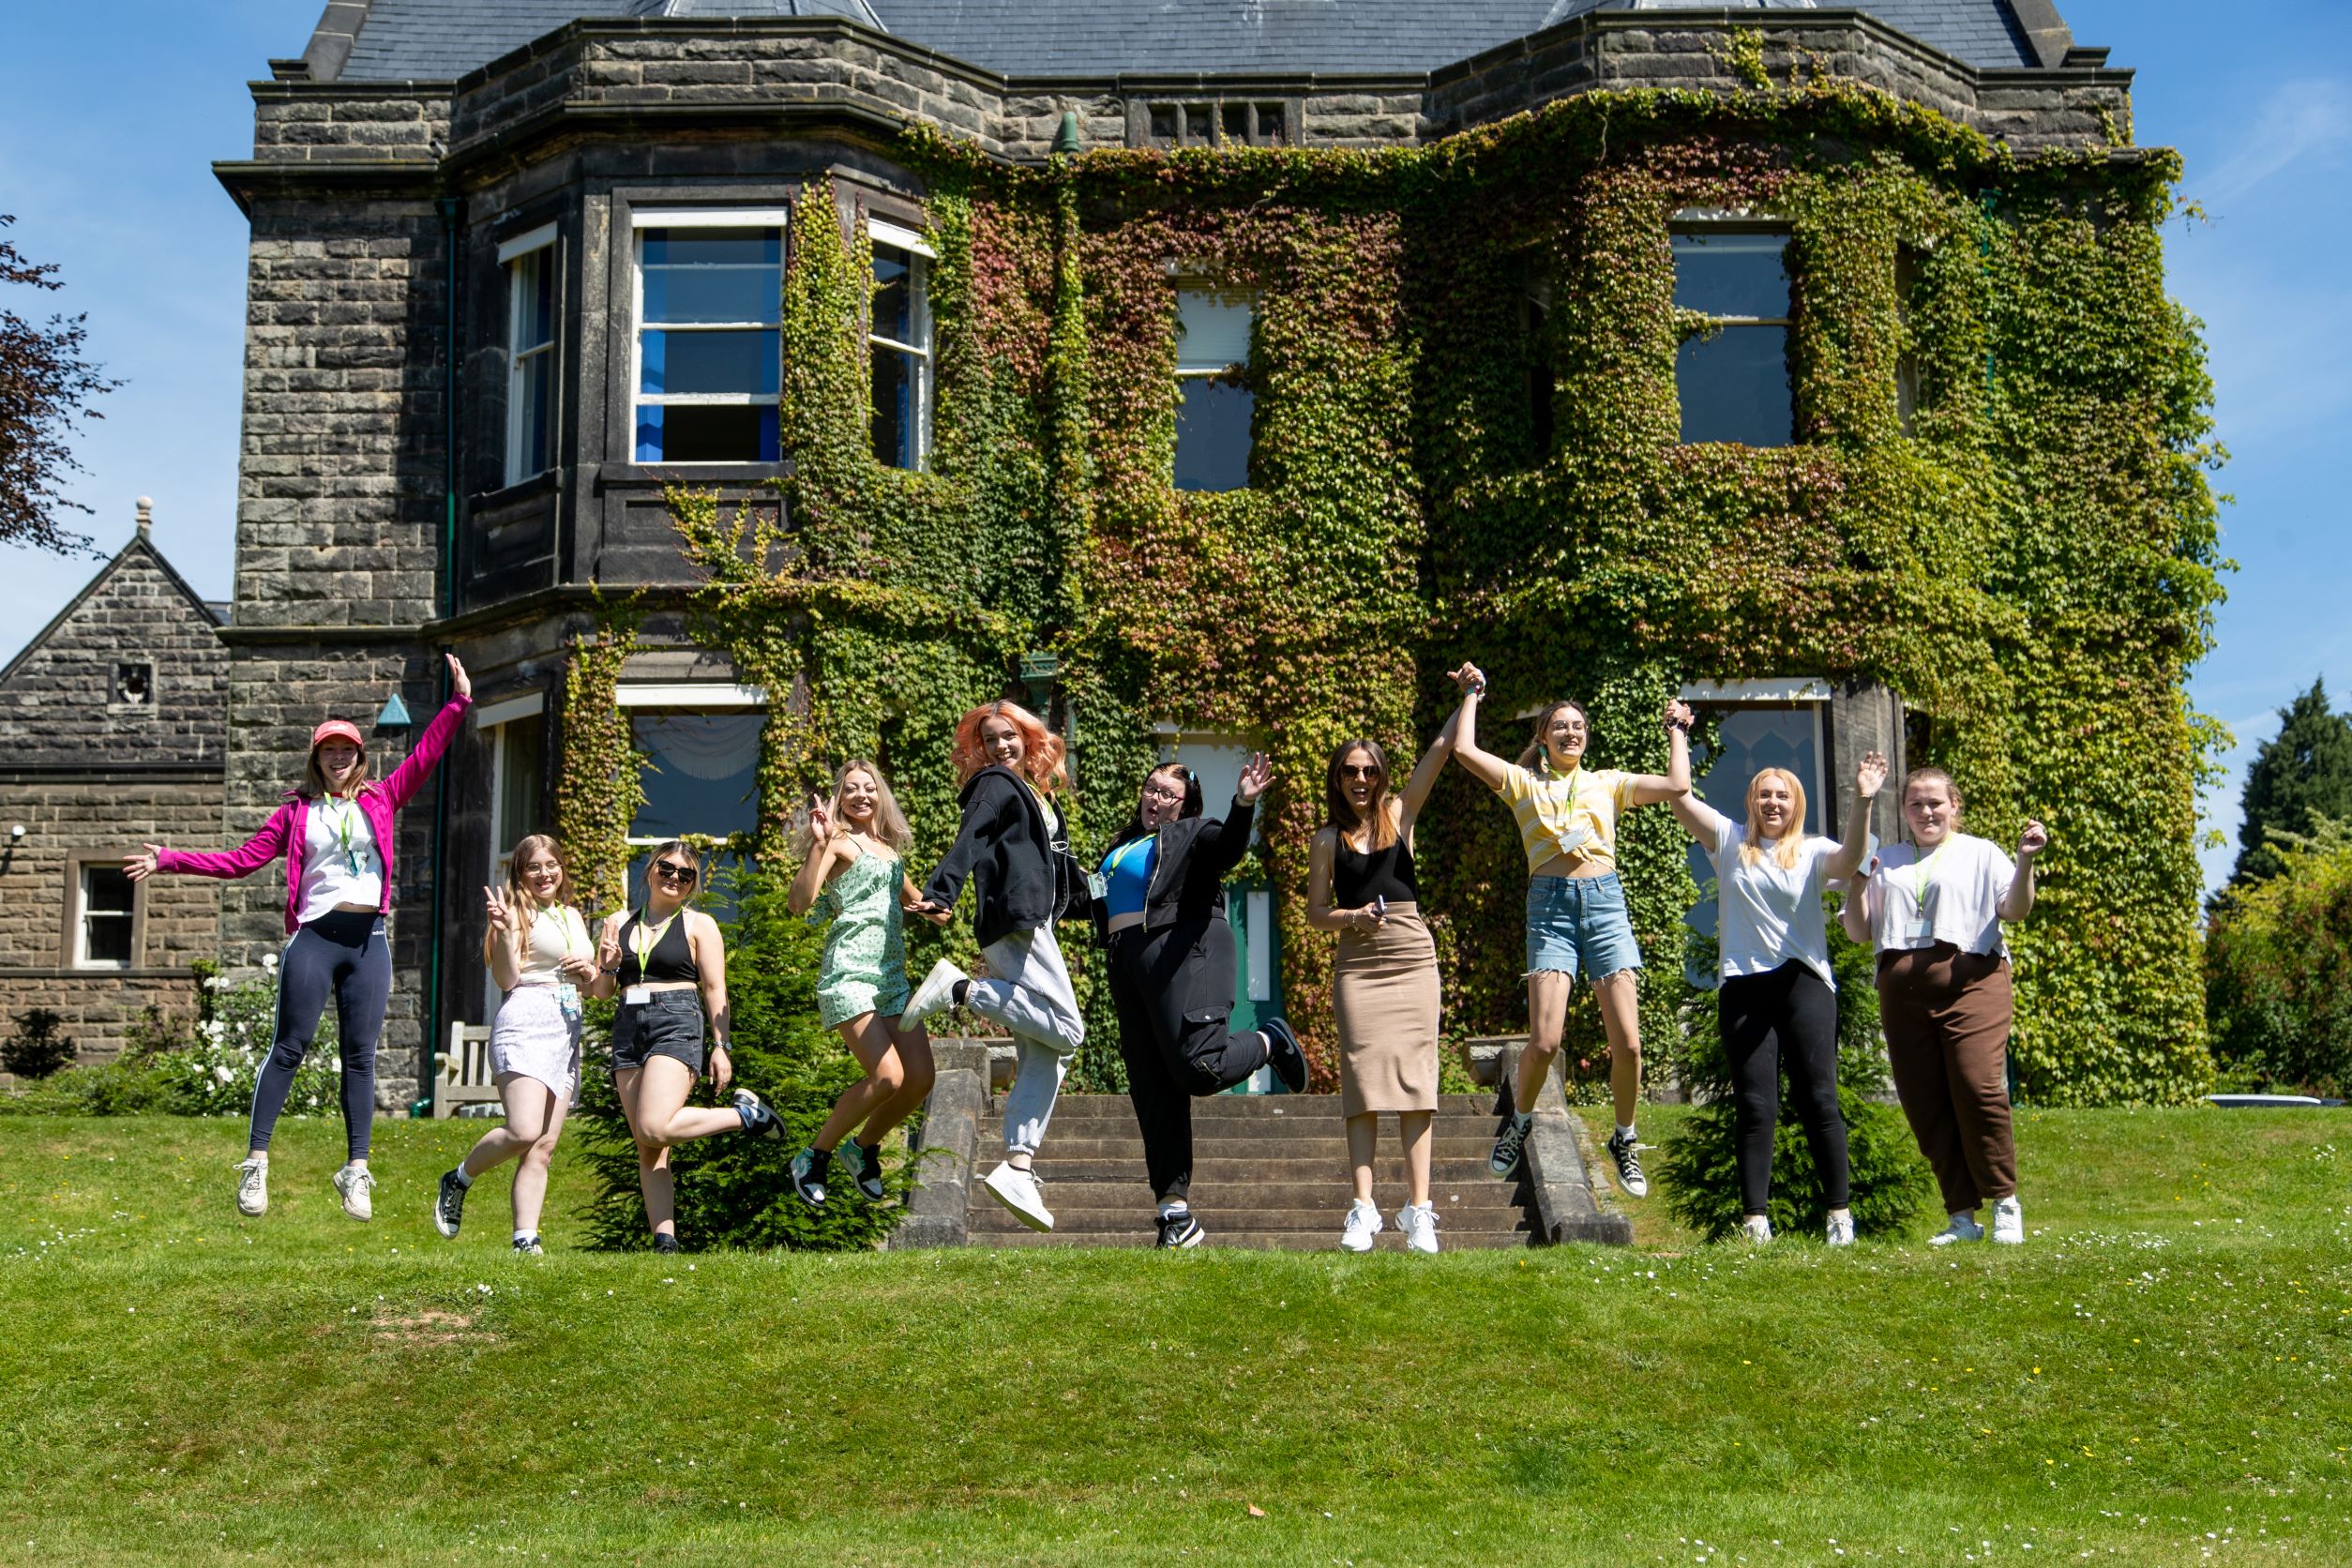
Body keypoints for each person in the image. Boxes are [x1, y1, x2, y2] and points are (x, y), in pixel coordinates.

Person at [125, 655, 475, 1221]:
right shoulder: (294, 812)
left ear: (360, 757)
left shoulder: (382, 798)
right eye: (329, 750)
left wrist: (457, 703)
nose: (340, 758)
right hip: (315, 939)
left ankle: (356, 1170)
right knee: (289, 1048)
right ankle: (257, 1161)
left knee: (361, 1058)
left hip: (369, 942)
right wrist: (170, 859)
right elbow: (240, 862)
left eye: (348, 750)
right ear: (317, 757)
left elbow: (426, 755)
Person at [1445, 663, 1693, 1197]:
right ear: (1543, 736)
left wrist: (1677, 731)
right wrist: (1473, 693)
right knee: (1546, 1039)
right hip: (1550, 908)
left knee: (1628, 1043)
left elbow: (1678, 784)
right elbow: (1464, 752)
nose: (1570, 732)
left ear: (1586, 737)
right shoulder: (1522, 783)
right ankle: (1521, 1121)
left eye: (1578, 726)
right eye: (1560, 726)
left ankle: (1624, 1138)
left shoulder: (1607, 784)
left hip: (1605, 905)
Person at [1670, 752, 1885, 1245]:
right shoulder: (1726, 841)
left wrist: (1864, 800)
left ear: (1796, 805)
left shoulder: (1812, 852)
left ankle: (1839, 1218)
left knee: (1819, 1099)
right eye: (1764, 794)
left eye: (1781, 795)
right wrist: (1678, 736)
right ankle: (1756, 1224)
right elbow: (1680, 799)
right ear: (1751, 801)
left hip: (1803, 984)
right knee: (1755, 1105)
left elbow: (1851, 861)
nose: (1772, 802)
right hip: (1743, 988)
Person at [1099, 755, 1307, 1249]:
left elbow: (1227, 848)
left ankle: (1266, 1041)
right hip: (1128, 964)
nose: (1155, 799)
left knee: (1199, 1067)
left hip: (1184, 950)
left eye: (1167, 794)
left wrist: (1243, 803)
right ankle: (1175, 1216)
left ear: (1186, 804)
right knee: (1154, 1088)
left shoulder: (1195, 834)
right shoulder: (1122, 844)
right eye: (1151, 788)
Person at [902, 700, 1089, 1232]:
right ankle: (961, 990)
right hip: (1016, 920)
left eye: (1010, 736)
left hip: (1034, 920)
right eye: (991, 739)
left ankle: (1018, 1165)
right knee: (1068, 1032)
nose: (1002, 745)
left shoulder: (1029, 789)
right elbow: (972, 838)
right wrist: (941, 891)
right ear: (979, 747)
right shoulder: (995, 785)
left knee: (1046, 1052)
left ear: (1027, 738)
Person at [1840, 767, 2045, 1246]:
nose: (1926, 811)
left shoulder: (1980, 852)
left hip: (1972, 985)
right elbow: (1857, 931)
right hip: (1902, 995)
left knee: (1978, 1087)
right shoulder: (1884, 860)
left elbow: (2014, 910)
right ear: (1904, 811)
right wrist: (1855, 884)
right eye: (1916, 804)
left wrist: (2025, 862)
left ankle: (2005, 1202)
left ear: (1955, 806)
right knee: (1925, 1103)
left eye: (1935, 802)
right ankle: (1961, 1217)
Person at [1305, 718, 1458, 1255]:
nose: (1361, 779)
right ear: (1338, 779)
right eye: (1351, 771)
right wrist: (1352, 919)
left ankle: (1419, 1211)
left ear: (1382, 777)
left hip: (1412, 959)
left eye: (1370, 770)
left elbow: (1440, 751)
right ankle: (1364, 1210)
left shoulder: (1399, 815)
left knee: (1417, 1082)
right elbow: (1316, 913)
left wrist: (1469, 694)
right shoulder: (1328, 840)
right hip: (1359, 967)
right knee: (1363, 1083)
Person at [585, 839, 782, 1254]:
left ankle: (744, 1116)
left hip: (676, 1020)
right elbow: (602, 991)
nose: (674, 877)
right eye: (667, 868)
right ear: (650, 869)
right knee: (649, 1142)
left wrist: (721, 1045)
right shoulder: (617, 921)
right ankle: (665, 1239)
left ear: (692, 884)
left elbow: (715, 987)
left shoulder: (699, 925)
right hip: (627, 1026)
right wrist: (605, 962)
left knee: (656, 1124)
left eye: (685, 874)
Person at [783, 760, 946, 1208]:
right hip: (849, 972)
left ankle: (863, 1148)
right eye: (851, 788)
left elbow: (930, 908)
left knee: (920, 1080)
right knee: (888, 1076)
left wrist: (936, 907)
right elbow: (799, 904)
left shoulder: (889, 851)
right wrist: (817, 848)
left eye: (869, 788)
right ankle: (814, 1156)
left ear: (880, 795)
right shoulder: (837, 842)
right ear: (840, 797)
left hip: (891, 977)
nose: (861, 795)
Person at [431, 835, 595, 1254]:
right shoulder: (514, 913)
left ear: (562, 868)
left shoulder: (572, 915)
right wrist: (504, 932)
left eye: (551, 864)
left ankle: (526, 1239)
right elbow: (506, 979)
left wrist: (592, 968)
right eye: (534, 866)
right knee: (524, 1130)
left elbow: (590, 984)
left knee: (543, 1145)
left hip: (566, 1026)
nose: (545, 873)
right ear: (519, 873)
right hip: (526, 1020)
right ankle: (459, 1178)